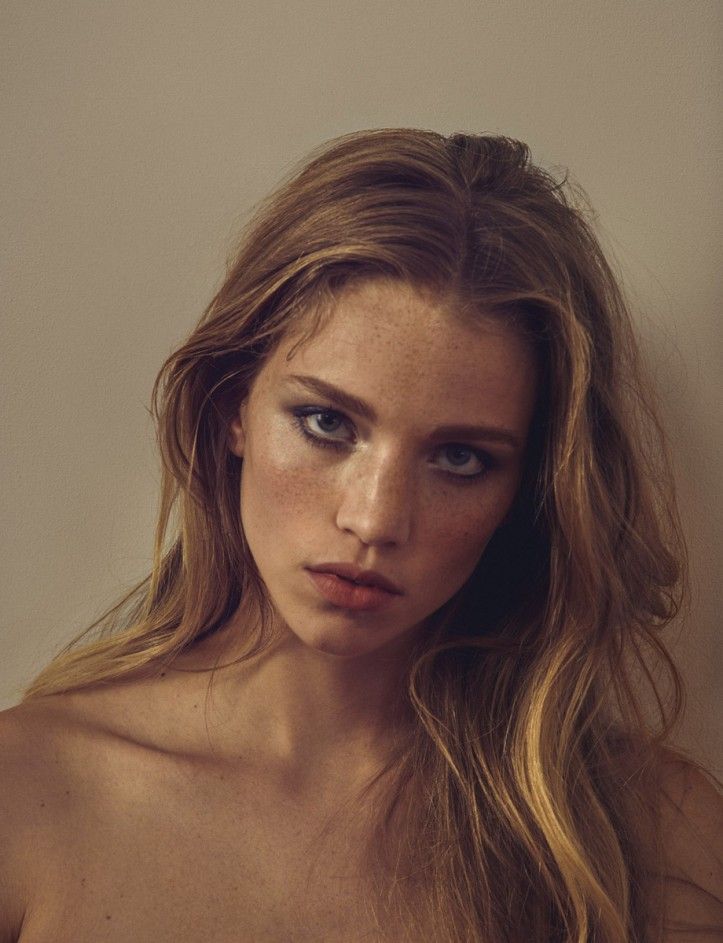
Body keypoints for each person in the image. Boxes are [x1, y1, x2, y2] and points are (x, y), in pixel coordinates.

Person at [0, 129, 720, 943]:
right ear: (233, 406)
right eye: (325, 421)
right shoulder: (27, 799)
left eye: (458, 457)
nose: (374, 519)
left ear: (527, 489)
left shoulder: (649, 837)